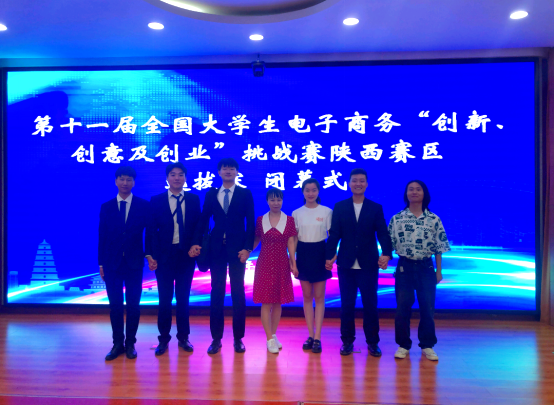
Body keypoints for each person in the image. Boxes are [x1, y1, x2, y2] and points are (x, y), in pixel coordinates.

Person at [189, 158, 255, 354]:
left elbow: (251, 223)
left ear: (237, 172)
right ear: (219, 172)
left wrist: (247, 249)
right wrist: (196, 242)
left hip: (238, 250)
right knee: (216, 292)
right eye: (224, 168)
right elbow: (203, 220)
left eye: (231, 168)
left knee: (238, 292)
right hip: (216, 249)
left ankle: (238, 338)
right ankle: (216, 338)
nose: (228, 171)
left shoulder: (245, 193)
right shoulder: (211, 194)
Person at [325, 168, 393, 357]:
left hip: (368, 264)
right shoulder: (340, 206)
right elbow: (334, 234)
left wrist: (387, 254)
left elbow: (383, 233)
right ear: (349, 183)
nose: (358, 184)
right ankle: (347, 341)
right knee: (347, 305)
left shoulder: (375, 207)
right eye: (354, 180)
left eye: (362, 180)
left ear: (367, 184)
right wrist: (329, 256)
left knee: (370, 305)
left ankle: (373, 342)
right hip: (346, 264)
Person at [388, 180, 450, 361]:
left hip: (426, 267)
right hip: (404, 267)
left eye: (418, 189)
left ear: (424, 194)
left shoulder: (434, 219)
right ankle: (403, 345)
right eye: (411, 189)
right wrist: (384, 259)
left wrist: (439, 271)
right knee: (402, 308)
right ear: (406, 194)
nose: (414, 192)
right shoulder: (397, 218)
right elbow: (389, 245)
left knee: (427, 308)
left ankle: (427, 345)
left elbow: (439, 247)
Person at [146, 162, 201, 356]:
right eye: (173, 174)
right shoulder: (157, 200)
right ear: (167, 178)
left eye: (180, 174)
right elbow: (151, 230)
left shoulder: (193, 199)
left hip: (186, 255)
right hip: (164, 256)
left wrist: (196, 244)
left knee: (183, 298)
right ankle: (163, 339)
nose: (177, 178)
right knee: (165, 298)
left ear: (185, 178)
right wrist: (150, 255)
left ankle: (183, 337)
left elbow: (198, 227)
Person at [98, 166, 151, 361]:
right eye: (121, 179)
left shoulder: (143, 205)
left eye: (129, 179)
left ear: (134, 182)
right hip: (111, 264)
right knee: (115, 306)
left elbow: (149, 234)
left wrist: (149, 255)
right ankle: (117, 344)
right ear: (116, 181)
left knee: (134, 305)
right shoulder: (107, 206)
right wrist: (101, 263)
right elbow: (102, 236)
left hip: (134, 262)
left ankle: (130, 344)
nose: (125, 183)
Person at [252, 188, 298, 354]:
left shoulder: (289, 220)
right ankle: (269, 339)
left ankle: (273, 334)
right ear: (267, 201)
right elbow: (256, 240)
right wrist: (246, 252)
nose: (276, 203)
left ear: (282, 201)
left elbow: (291, 242)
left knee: (278, 301)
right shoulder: (260, 220)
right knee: (266, 301)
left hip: (281, 263)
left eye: (279, 200)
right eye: (272, 200)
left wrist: (293, 262)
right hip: (264, 263)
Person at [292, 178, 332, 353]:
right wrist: (292, 261)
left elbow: (332, 237)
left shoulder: (327, 211)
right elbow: (293, 239)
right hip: (303, 253)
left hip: (320, 253)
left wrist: (332, 257)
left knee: (320, 296)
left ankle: (318, 337)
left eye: (314, 190)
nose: (310, 193)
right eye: (307, 190)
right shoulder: (296, 213)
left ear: (318, 191)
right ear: (303, 192)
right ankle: (310, 334)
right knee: (307, 296)